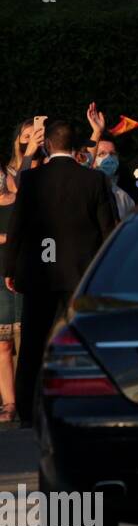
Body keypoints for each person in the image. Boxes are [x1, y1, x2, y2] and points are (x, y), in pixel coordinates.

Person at [2, 120, 118, 425]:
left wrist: (10, 268)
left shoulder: (31, 180)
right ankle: (86, 403)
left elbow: (18, 228)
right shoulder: (93, 180)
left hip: (39, 276)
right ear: (74, 145)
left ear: (47, 145)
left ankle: (27, 410)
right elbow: (109, 230)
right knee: (82, 341)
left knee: (32, 346)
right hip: (80, 277)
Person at [0, 166, 20, 421]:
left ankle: (27, 399)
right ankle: (9, 403)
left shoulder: (22, 202)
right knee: (3, 345)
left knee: (27, 342)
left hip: (23, 276)